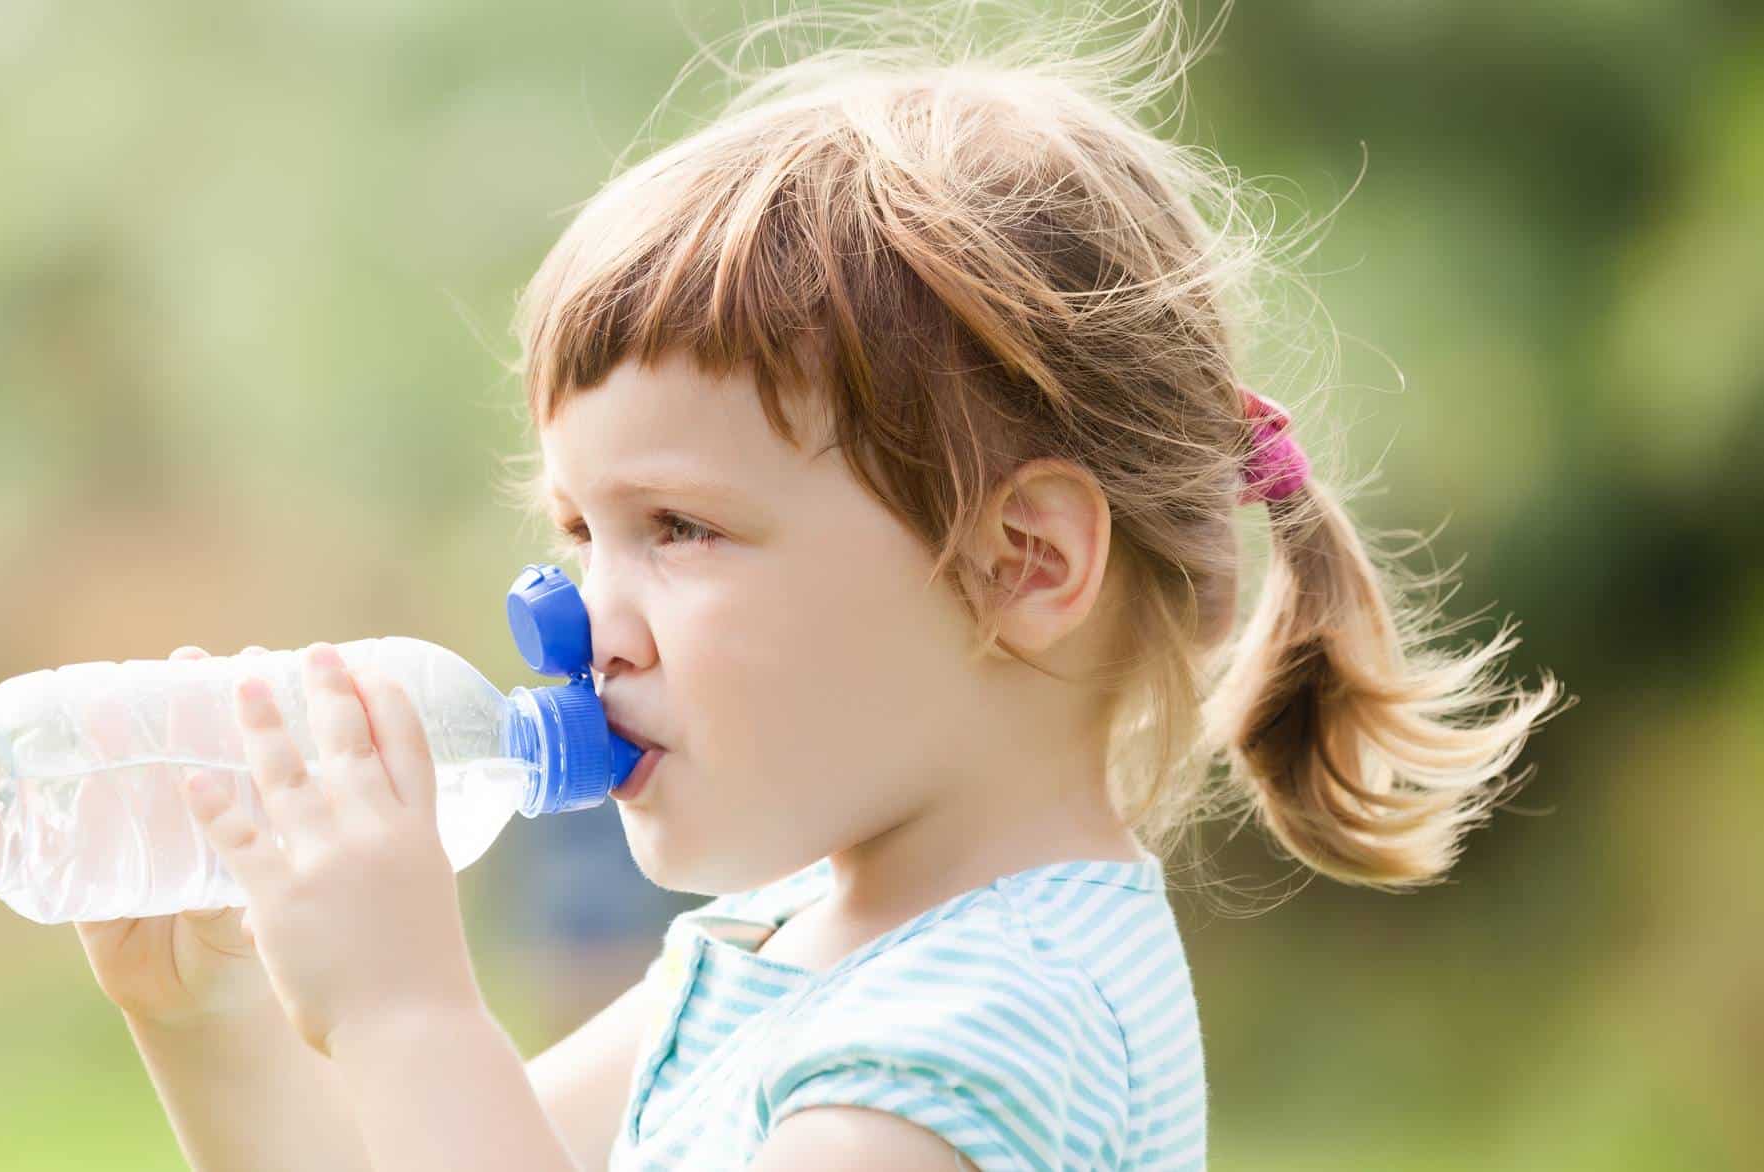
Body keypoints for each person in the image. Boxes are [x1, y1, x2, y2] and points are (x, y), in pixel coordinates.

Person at [78, 3, 1570, 1169]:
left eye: (679, 526)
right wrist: (209, 1020)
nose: (582, 618)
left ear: (1019, 566)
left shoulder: (989, 1034)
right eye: (580, 531)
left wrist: (409, 1013)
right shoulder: (778, 947)